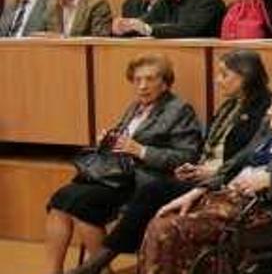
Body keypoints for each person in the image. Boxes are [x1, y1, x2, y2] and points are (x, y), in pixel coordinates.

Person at [67, 50, 272, 274]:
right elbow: (208, 149)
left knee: (153, 191)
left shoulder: (262, 109)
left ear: (245, 76)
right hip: (199, 173)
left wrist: (211, 173)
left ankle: (99, 262)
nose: (217, 80)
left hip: (224, 182)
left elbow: (248, 157)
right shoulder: (230, 105)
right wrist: (196, 168)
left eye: (224, 75)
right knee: (73, 195)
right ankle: (96, 263)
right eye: (137, 80)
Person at [137, 74, 272, 274]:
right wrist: (198, 190)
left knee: (165, 230)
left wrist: (270, 180)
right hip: (229, 198)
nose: (269, 110)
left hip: (265, 209)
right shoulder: (270, 129)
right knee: (162, 222)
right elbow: (235, 163)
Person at [45, 54, 201, 274]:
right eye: (137, 80)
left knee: (82, 206)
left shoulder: (179, 109)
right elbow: (122, 140)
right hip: (117, 175)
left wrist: (141, 150)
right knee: (60, 200)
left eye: (149, 79)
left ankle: (101, 269)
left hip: (146, 180)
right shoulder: (135, 107)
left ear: (165, 82)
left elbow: (186, 156)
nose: (142, 86)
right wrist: (108, 140)